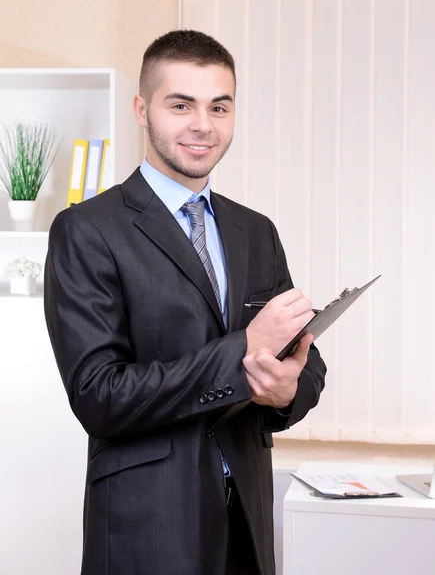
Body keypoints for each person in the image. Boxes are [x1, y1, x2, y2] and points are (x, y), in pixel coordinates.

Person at [44, 29, 327, 575]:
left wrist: (288, 390)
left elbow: (304, 362)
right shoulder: (87, 230)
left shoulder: (255, 230)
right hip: (146, 524)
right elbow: (98, 395)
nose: (203, 124)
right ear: (141, 108)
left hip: (247, 521)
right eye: (181, 105)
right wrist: (244, 353)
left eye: (219, 106)